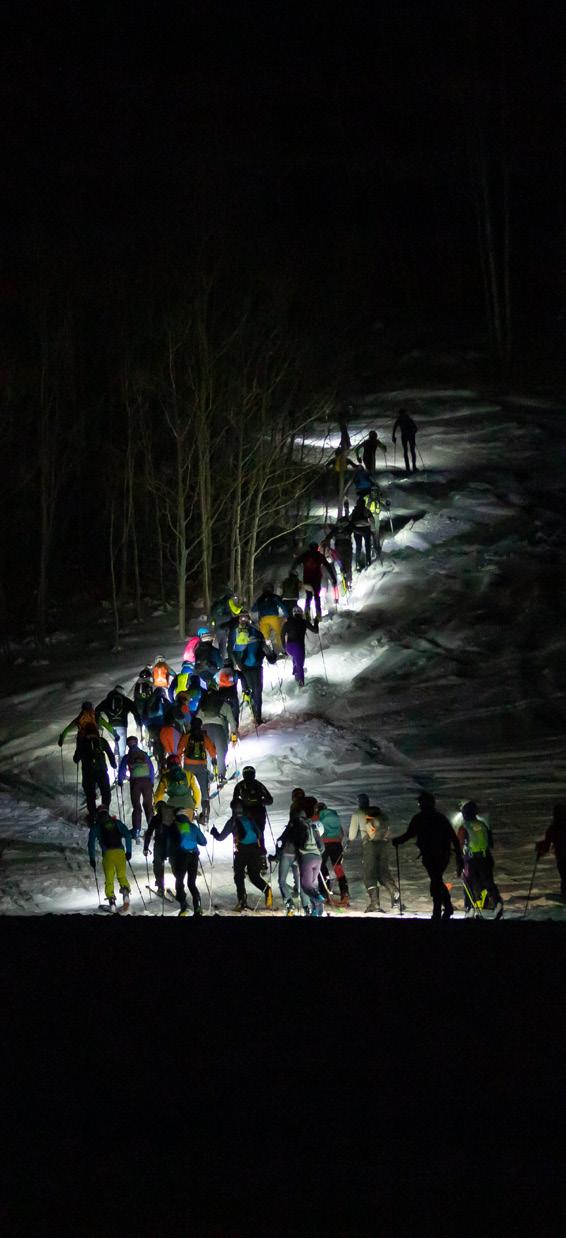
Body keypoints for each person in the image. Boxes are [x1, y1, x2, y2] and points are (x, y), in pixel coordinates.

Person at [393, 791, 463, 921]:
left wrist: (398, 841)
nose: (419, 805)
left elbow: (409, 834)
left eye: (420, 803)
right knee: (437, 880)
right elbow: (452, 836)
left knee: (436, 881)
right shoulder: (440, 818)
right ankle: (446, 907)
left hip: (431, 855)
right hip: (443, 854)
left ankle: (439, 911)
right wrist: (458, 855)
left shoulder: (419, 818)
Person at [210, 804, 272, 912]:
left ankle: (242, 901)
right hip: (255, 850)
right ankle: (267, 890)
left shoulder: (233, 821)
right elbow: (259, 834)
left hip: (242, 850)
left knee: (238, 875)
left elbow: (220, 837)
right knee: (254, 876)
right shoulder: (250, 818)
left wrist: (214, 832)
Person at [348, 793, 400, 912]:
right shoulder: (378, 813)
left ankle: (375, 904)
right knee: (383, 872)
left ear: (359, 802)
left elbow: (351, 836)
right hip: (383, 844)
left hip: (369, 845)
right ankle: (394, 893)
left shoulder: (358, 814)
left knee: (370, 874)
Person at [457, 800, 503, 917]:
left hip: (472, 860)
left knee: (468, 884)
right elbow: (490, 843)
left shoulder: (464, 827)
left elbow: (459, 845)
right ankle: (497, 903)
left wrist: (459, 862)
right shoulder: (483, 825)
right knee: (488, 882)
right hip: (486, 858)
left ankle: (470, 908)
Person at [228, 611, 272, 726]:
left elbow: (230, 649)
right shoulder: (256, 632)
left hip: (242, 666)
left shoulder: (234, 632)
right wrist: (271, 657)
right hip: (256, 665)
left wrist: (234, 663)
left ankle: (251, 705)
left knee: (249, 689)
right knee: (257, 691)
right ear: (249, 619)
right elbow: (264, 648)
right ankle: (257, 716)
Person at [88, 803, 132, 911]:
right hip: (120, 853)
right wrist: (129, 851)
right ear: (107, 812)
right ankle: (125, 893)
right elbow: (128, 835)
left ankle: (112, 902)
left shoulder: (96, 826)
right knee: (121, 876)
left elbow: (91, 844)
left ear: (98, 814)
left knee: (109, 879)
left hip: (108, 855)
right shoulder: (116, 822)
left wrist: (92, 858)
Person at [166, 810, 207, 916]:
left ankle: (183, 906)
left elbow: (169, 843)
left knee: (179, 881)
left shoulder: (174, 826)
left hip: (181, 856)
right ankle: (197, 907)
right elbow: (204, 842)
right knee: (191, 883)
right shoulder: (192, 826)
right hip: (194, 856)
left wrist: (166, 854)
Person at [74, 723, 116, 824]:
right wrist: (113, 764)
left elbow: (76, 759)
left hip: (88, 772)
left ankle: (92, 816)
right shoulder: (101, 741)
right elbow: (110, 753)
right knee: (105, 792)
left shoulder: (83, 742)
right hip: (101, 770)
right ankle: (104, 813)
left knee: (90, 794)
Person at [178, 715, 217, 824]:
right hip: (201, 767)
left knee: (188, 789)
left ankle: (188, 815)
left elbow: (179, 750)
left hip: (188, 766)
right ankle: (205, 816)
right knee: (204, 791)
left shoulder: (187, 736)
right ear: (200, 726)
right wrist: (213, 759)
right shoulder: (203, 736)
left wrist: (179, 763)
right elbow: (212, 751)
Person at [116, 736, 154, 842]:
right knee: (148, 806)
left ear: (128, 745)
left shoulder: (127, 756)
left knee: (136, 807)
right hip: (146, 782)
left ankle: (136, 831)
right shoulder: (144, 754)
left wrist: (120, 781)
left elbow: (122, 769)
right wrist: (151, 782)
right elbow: (151, 768)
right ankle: (152, 829)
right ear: (137, 743)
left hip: (135, 783)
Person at [197, 683, 237, 782]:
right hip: (219, 730)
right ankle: (221, 776)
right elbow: (232, 722)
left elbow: (197, 719)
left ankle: (207, 777)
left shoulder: (203, 705)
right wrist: (234, 737)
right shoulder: (224, 704)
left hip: (204, 731)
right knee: (221, 753)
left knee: (206, 754)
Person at [295, 795, 325, 916]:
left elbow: (297, 842)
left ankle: (318, 900)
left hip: (306, 857)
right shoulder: (313, 826)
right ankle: (317, 911)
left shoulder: (299, 825)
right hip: (317, 858)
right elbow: (322, 846)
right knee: (313, 885)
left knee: (306, 886)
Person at [231, 765, 273, 850]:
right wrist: (261, 801)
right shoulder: (259, 785)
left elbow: (234, 802)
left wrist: (238, 808)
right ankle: (261, 851)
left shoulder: (240, 785)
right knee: (259, 832)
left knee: (244, 831)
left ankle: (242, 849)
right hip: (258, 812)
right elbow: (270, 800)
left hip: (246, 813)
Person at [316, 802, 349, 906]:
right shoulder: (335, 816)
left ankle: (324, 893)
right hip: (337, 844)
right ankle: (345, 893)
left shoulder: (318, 818)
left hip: (324, 844)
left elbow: (317, 832)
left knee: (321, 867)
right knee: (338, 868)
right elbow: (341, 833)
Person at [95, 685, 140, 762]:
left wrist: (98, 723)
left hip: (111, 726)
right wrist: (139, 724)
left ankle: (116, 754)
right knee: (122, 750)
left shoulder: (107, 700)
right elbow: (135, 710)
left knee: (116, 741)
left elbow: (97, 709)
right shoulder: (125, 700)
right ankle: (120, 763)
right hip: (122, 726)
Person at [293, 542, 337, 619]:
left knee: (309, 596)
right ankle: (318, 614)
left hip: (307, 579)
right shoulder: (320, 556)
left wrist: (292, 571)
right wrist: (333, 577)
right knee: (317, 597)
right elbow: (328, 566)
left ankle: (307, 612)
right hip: (316, 579)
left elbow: (296, 562)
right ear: (317, 548)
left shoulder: (305, 555)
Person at [281, 604, 318, 687]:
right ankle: (301, 684)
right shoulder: (304, 622)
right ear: (301, 613)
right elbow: (316, 631)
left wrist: (284, 647)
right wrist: (316, 622)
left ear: (293, 613)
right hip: (299, 647)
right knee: (300, 665)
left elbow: (282, 634)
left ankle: (295, 672)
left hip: (289, 647)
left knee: (295, 658)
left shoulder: (287, 622)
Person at [144, 800, 175, 899]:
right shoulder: (172, 816)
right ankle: (180, 888)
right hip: (171, 844)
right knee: (175, 864)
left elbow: (149, 833)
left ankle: (160, 887)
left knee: (158, 865)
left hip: (159, 844)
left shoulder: (155, 818)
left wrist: (145, 847)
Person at [536, 802, 566, 897]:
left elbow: (546, 845)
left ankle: (564, 894)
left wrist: (540, 849)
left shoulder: (553, 828)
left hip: (562, 857)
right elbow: (547, 844)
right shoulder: (553, 829)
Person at [252, 584, 288, 655]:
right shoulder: (274, 597)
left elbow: (253, 609)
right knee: (279, 633)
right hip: (273, 618)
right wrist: (287, 616)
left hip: (263, 619)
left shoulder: (260, 598)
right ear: (272, 589)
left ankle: (267, 651)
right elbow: (282, 605)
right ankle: (283, 650)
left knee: (264, 636)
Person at [210, 593, 243, 660]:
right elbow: (235, 611)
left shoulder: (217, 604)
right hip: (223, 625)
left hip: (220, 625)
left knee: (222, 642)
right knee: (225, 641)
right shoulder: (226, 603)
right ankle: (226, 658)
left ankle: (223, 658)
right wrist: (230, 616)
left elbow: (213, 615)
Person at [350, 498, 376, 571]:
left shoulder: (355, 511)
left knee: (359, 546)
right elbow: (372, 520)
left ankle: (358, 563)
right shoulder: (366, 510)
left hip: (357, 530)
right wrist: (372, 529)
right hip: (365, 529)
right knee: (367, 545)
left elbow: (350, 520)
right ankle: (368, 560)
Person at [392, 409, 418, 473]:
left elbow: (415, 428)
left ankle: (412, 467)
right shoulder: (404, 419)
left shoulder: (403, 419)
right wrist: (393, 436)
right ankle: (410, 467)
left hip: (408, 436)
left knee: (410, 451)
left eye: (401, 414)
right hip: (408, 436)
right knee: (408, 451)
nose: (401, 415)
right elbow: (416, 428)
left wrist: (393, 436)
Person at [215, 664, 241, 728]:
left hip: (222, 695)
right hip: (232, 694)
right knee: (235, 711)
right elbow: (240, 678)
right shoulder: (234, 672)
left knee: (225, 714)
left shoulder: (218, 673)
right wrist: (245, 689)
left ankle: (226, 730)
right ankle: (235, 729)